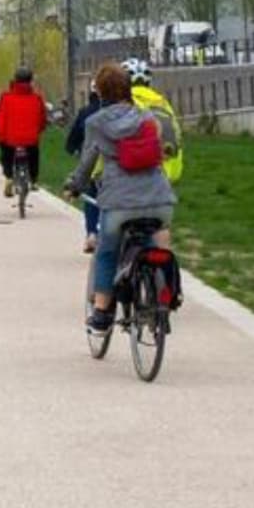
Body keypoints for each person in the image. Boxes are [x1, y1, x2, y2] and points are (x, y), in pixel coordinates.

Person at [64, 63, 176, 332]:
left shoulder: (96, 123)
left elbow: (87, 162)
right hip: (159, 198)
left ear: (100, 92)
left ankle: (102, 312)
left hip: (119, 203)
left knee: (106, 251)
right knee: (157, 240)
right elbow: (165, 148)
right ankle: (165, 293)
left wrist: (74, 186)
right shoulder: (148, 117)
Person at [122, 57, 185, 185]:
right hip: (169, 174)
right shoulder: (163, 104)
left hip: (136, 178)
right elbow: (177, 136)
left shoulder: (125, 103)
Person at [0, 66, 48, 197]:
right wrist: (39, 130)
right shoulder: (36, 98)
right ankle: (34, 180)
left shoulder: (6, 97)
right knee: (34, 155)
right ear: (30, 81)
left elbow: (0, 118)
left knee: (6, 155)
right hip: (30, 138)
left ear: (15, 80)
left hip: (10, 138)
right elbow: (42, 119)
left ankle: (9, 177)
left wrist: (0, 135)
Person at [64, 77, 104, 253]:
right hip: (112, 164)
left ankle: (91, 233)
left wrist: (71, 148)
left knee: (91, 196)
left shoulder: (86, 112)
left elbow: (74, 135)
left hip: (90, 161)